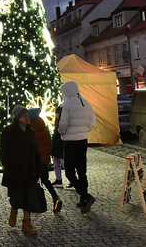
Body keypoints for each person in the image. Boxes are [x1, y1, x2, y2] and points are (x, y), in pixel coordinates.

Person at [0, 106, 41, 237]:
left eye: (27, 115)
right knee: (17, 196)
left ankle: (26, 223)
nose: (27, 118)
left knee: (29, 197)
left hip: (30, 170)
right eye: (24, 115)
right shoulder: (8, 131)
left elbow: (35, 151)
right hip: (15, 171)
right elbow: (3, 151)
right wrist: (8, 166)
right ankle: (14, 210)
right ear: (17, 118)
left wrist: (39, 168)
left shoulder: (31, 132)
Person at [58, 81, 97, 214]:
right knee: (82, 171)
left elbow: (63, 124)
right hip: (82, 141)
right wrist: (84, 131)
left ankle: (85, 196)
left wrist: (61, 132)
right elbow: (93, 122)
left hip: (70, 142)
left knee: (69, 172)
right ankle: (83, 198)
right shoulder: (85, 102)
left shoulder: (66, 105)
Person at [27, 108, 63, 214]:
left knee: (31, 182)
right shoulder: (43, 127)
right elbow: (48, 144)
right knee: (45, 180)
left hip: (35, 161)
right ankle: (56, 198)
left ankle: (33, 204)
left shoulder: (31, 129)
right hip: (44, 160)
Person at [51, 106, 66, 187]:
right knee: (57, 161)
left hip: (60, 141)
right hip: (57, 141)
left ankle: (72, 179)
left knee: (63, 162)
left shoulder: (63, 120)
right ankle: (59, 180)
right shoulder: (57, 121)